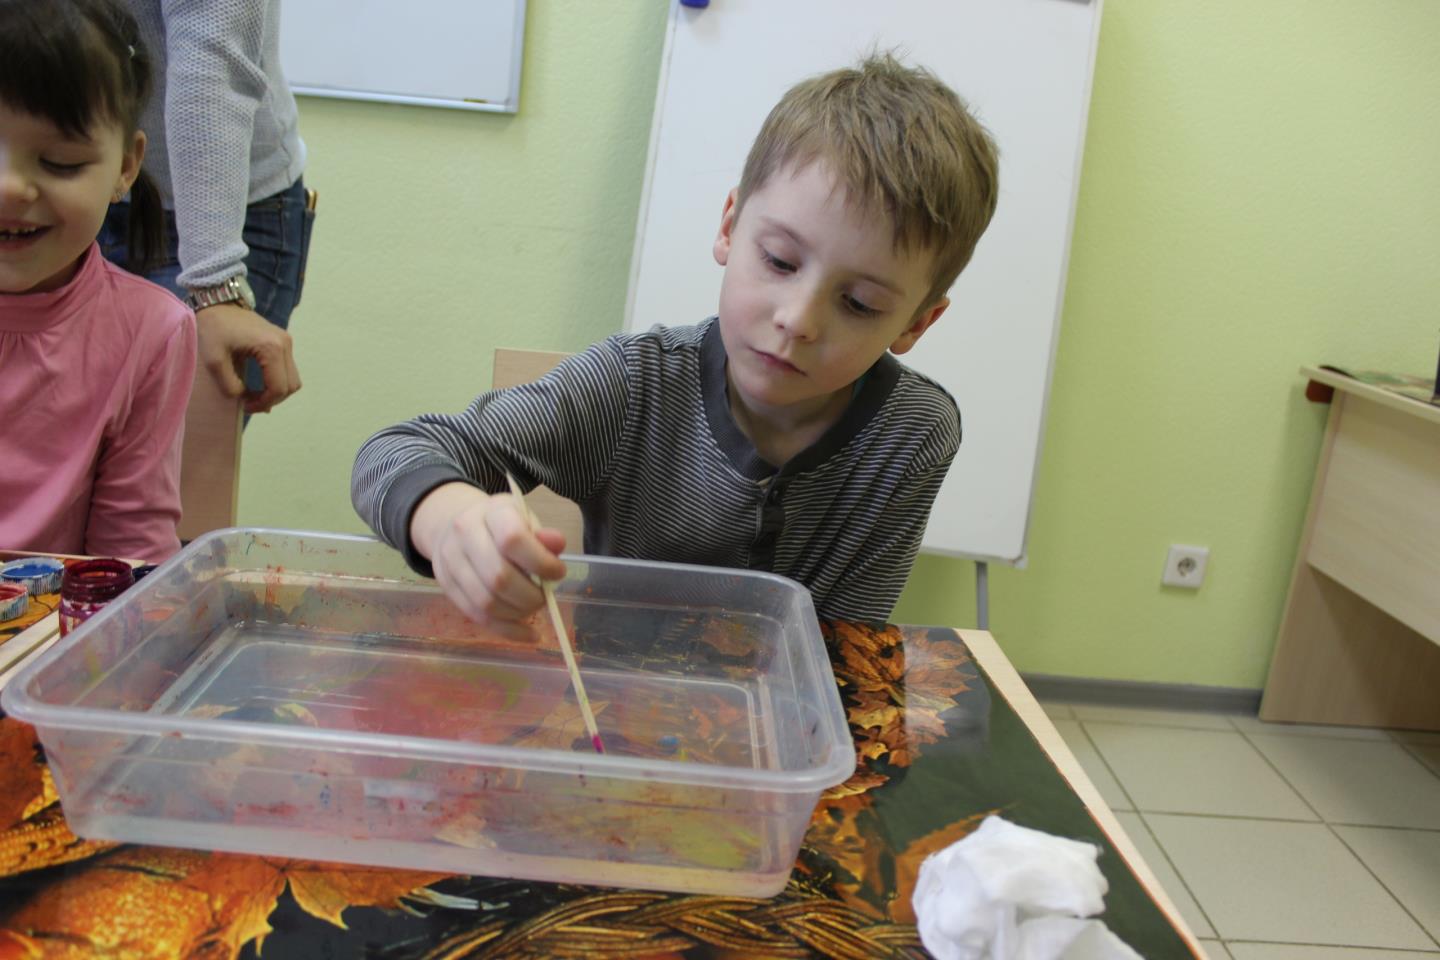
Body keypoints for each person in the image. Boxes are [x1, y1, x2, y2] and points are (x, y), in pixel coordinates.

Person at [351, 53, 1000, 638]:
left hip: (784, 709)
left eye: (858, 303)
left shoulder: (914, 432)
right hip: (612, 699)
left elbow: (847, 646)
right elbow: (392, 453)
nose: (797, 320)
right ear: (729, 226)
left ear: (916, 324)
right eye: (779, 261)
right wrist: (450, 520)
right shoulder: (633, 385)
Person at [0, 0, 196, 563]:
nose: (11, 188)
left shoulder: (151, 330)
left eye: (60, 162)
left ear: (126, 167)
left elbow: (128, 557)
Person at [97, 0, 310, 418]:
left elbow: (211, 59)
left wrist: (213, 284)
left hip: (212, 220)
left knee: (172, 449)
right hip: (65, 198)